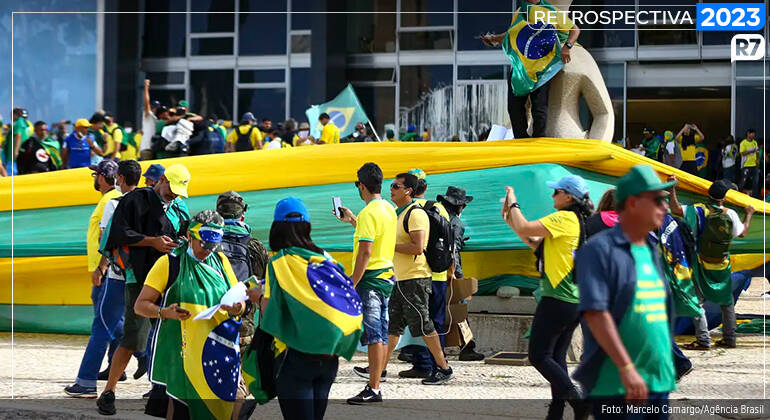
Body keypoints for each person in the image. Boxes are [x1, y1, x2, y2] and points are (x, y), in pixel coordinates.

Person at [574, 164, 677, 418]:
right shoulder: (599, 251)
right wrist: (627, 367)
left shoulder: (649, 249)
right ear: (632, 203)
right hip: (618, 384)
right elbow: (596, 314)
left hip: (657, 381)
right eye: (657, 200)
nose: (664, 206)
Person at [96, 164, 192, 416]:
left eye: (179, 192)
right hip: (141, 276)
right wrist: (152, 241)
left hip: (171, 277)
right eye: (172, 189)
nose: (174, 195)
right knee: (134, 335)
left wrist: (182, 242)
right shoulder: (134, 200)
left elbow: (186, 233)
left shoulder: (179, 208)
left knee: (172, 335)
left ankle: (165, 393)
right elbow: (118, 233)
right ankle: (109, 391)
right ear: (161, 180)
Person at [262, 197, 363, 419]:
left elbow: (268, 312)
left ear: (276, 227)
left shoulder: (279, 262)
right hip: (330, 354)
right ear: (307, 225)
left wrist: (255, 297)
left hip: (295, 356)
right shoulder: (325, 258)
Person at [501, 174, 592, 420]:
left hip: (558, 299)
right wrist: (510, 218)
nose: (553, 195)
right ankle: (557, 410)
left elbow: (525, 226)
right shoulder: (575, 219)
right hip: (572, 300)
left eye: (556, 191)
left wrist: (513, 203)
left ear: (569, 196)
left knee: (538, 356)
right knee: (556, 358)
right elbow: (532, 241)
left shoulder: (564, 217)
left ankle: (579, 400)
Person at [382, 172, 454, 385]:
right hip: (401, 278)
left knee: (424, 325)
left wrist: (389, 246)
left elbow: (418, 246)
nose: (392, 189)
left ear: (408, 191)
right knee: (393, 325)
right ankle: (380, 368)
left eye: (396, 186)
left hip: (415, 278)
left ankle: (444, 367)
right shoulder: (398, 213)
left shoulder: (415, 214)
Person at [334, 163, 396, 404]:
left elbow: (365, 252)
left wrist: (353, 281)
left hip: (370, 279)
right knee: (379, 332)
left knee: (374, 335)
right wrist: (352, 220)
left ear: (361, 185)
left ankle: (374, 387)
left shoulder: (369, 213)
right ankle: (375, 383)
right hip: (386, 276)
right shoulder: (387, 209)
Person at [669, 178, 754, 350]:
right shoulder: (730, 214)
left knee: (697, 302)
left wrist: (672, 188)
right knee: (726, 301)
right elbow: (743, 233)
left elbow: (675, 209)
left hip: (702, 263)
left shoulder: (698, 210)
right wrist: (750, 214)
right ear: (724, 198)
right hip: (722, 264)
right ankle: (730, 338)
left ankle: (703, 340)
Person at [61, 160, 121, 398]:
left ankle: (86, 381)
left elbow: (105, 239)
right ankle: (124, 362)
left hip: (104, 270)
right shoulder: (109, 199)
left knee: (104, 322)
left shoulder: (110, 201)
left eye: (96, 175)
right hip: (104, 269)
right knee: (113, 320)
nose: (94, 179)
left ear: (104, 178)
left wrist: (101, 267)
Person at [482, 0, 580, 139]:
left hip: (542, 67)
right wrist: (493, 38)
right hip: (521, 67)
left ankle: (539, 140)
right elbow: (513, 33)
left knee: (539, 108)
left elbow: (575, 29)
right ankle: (520, 140)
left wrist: (567, 47)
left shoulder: (549, 11)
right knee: (514, 108)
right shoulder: (520, 12)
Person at [437, 186, 485, 361]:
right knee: (460, 310)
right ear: (460, 206)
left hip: (433, 271)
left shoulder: (437, 217)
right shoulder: (456, 223)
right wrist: (457, 276)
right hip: (449, 272)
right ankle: (467, 347)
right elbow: (453, 251)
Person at [4, 107, 28, 176]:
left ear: (15, 114)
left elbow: (18, 135)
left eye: (11, 114)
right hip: (14, 155)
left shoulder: (18, 122)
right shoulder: (22, 122)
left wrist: (16, 151)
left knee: (12, 173)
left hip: (14, 156)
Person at [739, 129, 760, 196]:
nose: (753, 135)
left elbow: (757, 152)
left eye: (754, 134)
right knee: (743, 181)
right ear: (748, 134)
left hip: (754, 165)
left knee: (755, 181)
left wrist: (758, 159)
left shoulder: (755, 142)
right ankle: (739, 194)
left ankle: (755, 196)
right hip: (746, 165)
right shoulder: (743, 143)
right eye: (752, 134)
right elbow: (742, 153)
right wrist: (751, 151)